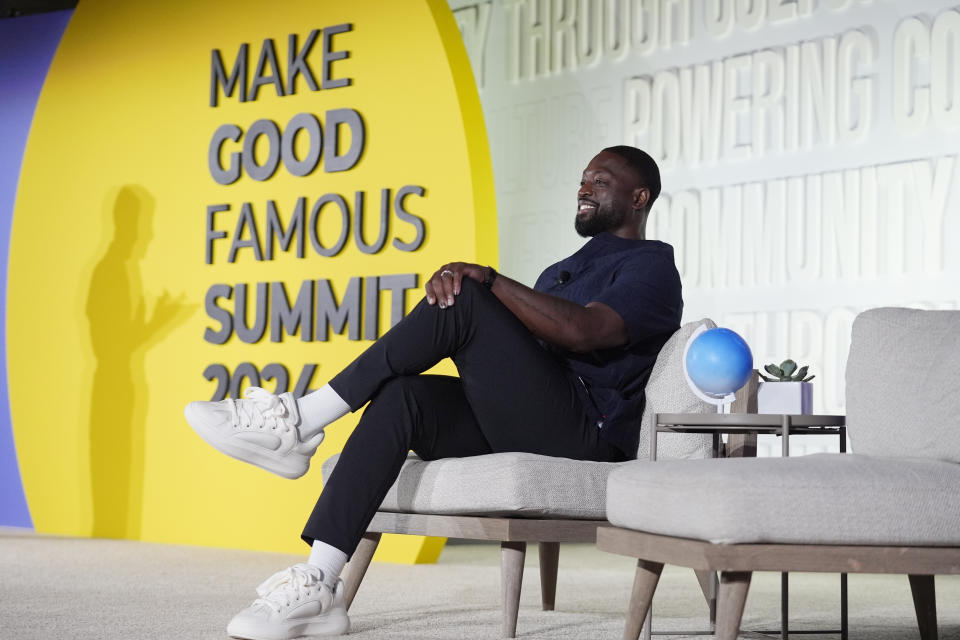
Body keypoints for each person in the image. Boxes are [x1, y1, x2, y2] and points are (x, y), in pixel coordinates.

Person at [184, 145, 683, 640]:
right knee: (404, 394)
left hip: (585, 434)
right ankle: (320, 583)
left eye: (600, 180)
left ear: (639, 197)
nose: (583, 188)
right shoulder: (557, 273)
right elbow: (518, 359)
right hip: (530, 420)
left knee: (465, 295)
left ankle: (302, 420)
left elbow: (587, 331)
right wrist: (473, 301)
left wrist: (484, 282)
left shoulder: (653, 267)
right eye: (582, 177)